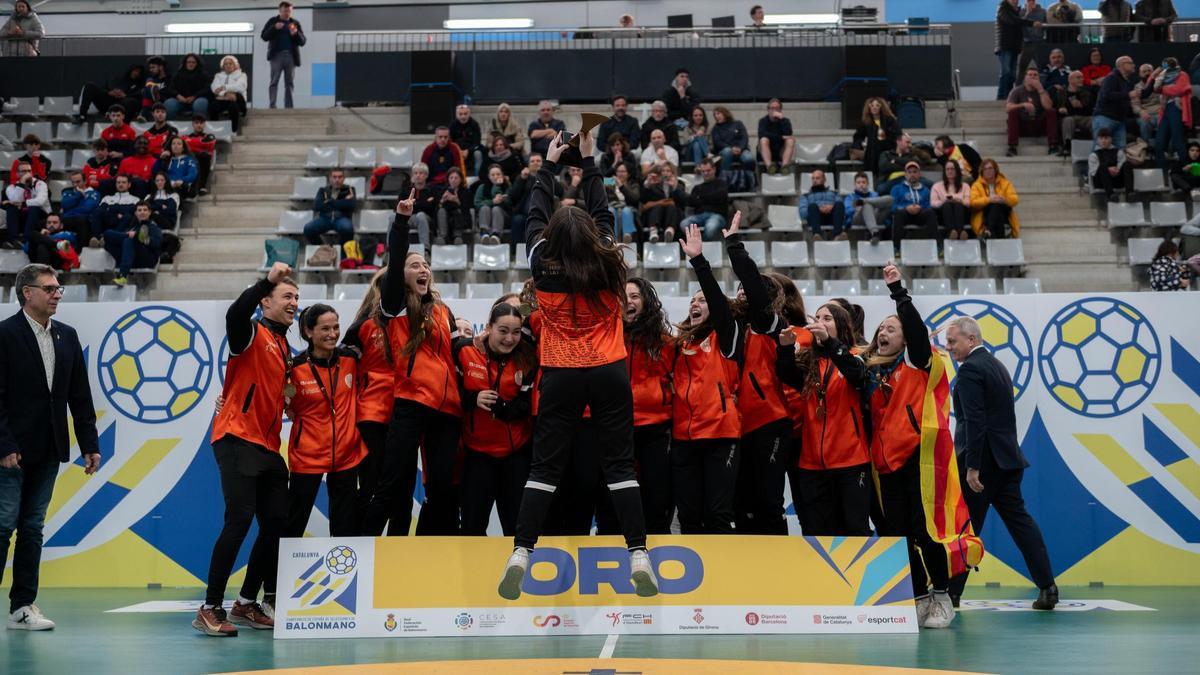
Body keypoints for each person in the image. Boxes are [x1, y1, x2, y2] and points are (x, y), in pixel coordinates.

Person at [498, 131, 657, 601]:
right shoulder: (609, 262)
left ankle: (521, 553)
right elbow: (603, 208)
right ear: (591, 233)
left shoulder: (541, 262)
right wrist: (587, 162)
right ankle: (639, 554)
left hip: (561, 374)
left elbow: (533, 213)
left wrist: (548, 167)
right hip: (608, 370)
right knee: (619, 467)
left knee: (544, 469)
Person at [862, 264, 984, 629]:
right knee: (897, 536)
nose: (884, 332)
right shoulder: (872, 370)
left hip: (919, 461)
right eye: (881, 328)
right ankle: (917, 596)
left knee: (927, 530)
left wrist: (898, 292)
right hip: (885, 466)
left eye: (892, 328)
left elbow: (915, 331)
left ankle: (942, 595)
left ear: (906, 340)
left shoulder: (918, 361)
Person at [195, 262, 297, 637]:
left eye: (297, 297)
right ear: (265, 303)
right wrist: (266, 280)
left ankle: (246, 603)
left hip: (270, 447)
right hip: (237, 438)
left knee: (275, 527)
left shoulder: (285, 346)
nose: (294, 302)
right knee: (239, 520)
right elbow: (236, 312)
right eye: (287, 296)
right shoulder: (249, 332)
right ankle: (209, 607)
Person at [0, 263, 100, 631]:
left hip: (50, 448)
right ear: (27, 292)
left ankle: (22, 606)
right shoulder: (5, 334)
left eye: (59, 288)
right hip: (10, 452)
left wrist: (90, 443)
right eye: (50, 288)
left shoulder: (68, 337)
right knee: (0, 525)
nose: (58, 294)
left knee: (32, 528)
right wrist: (4, 444)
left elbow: (80, 395)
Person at [365, 191, 464, 537]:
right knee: (392, 484)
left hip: (448, 411)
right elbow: (396, 261)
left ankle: (426, 553)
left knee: (441, 489)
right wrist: (402, 222)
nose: (422, 268)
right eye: (414, 265)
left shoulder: (443, 312)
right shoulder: (395, 307)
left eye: (424, 264)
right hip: (411, 403)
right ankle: (361, 554)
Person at [944, 316, 1058, 611]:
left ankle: (951, 594)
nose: (948, 347)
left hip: (982, 467)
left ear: (971, 339)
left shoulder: (970, 370)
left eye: (953, 341)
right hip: (1008, 461)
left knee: (966, 531)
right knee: (1021, 524)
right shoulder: (998, 366)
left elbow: (975, 423)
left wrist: (972, 467)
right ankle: (1048, 587)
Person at [667, 219, 745, 534]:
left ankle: (722, 582)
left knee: (717, 515)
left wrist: (699, 262)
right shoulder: (679, 343)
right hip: (683, 440)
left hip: (720, 436)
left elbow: (718, 304)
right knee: (688, 517)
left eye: (703, 300)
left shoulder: (728, 336)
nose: (696, 304)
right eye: (692, 301)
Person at [775, 301, 870, 536]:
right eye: (817, 318)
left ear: (841, 324)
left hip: (850, 462)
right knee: (818, 532)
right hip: (811, 464)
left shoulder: (857, 355)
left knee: (854, 529)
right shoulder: (810, 363)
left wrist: (829, 342)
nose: (820, 322)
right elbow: (787, 376)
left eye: (827, 318)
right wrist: (786, 348)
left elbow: (857, 375)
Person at [455, 303, 538, 536]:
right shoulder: (464, 351)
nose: (510, 339)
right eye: (503, 331)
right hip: (477, 456)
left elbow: (524, 407)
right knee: (472, 527)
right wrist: (473, 399)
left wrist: (501, 407)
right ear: (489, 327)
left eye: (516, 332)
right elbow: (449, 392)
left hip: (516, 457)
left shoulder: (528, 359)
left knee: (517, 528)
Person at [285, 305, 366, 538]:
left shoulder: (351, 359)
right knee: (293, 524)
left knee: (344, 528)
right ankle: (277, 574)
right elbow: (277, 399)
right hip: (307, 456)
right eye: (325, 329)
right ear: (309, 332)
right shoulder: (295, 368)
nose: (333, 334)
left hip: (346, 457)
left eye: (336, 327)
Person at [623, 279, 675, 533]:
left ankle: (660, 559)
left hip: (657, 430)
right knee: (618, 503)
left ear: (646, 301)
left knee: (657, 501)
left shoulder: (666, 342)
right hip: (618, 431)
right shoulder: (607, 340)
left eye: (634, 296)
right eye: (623, 297)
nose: (628, 302)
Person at [102, 200, 161, 285]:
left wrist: (146, 240)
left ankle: (122, 276)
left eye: (145, 210)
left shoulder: (153, 226)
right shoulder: (133, 227)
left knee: (129, 240)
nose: (142, 212)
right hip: (132, 257)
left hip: (147, 258)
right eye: (139, 210)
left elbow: (157, 243)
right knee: (108, 235)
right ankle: (135, 237)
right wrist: (132, 235)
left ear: (149, 212)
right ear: (136, 213)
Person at [1006, 67, 1061, 157]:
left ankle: (1053, 146)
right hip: (1023, 125)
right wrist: (1023, 105)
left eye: (1035, 75)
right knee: (1013, 112)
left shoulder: (1043, 91)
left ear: (1039, 78)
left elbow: (1048, 107)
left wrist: (1040, 89)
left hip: (1038, 125)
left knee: (1051, 112)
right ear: (1025, 78)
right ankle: (1012, 147)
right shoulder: (1017, 91)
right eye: (1030, 75)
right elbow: (1007, 108)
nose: (1033, 77)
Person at [261, 1, 306, 109]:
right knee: (274, 81)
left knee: (289, 83)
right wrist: (274, 28)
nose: (287, 13)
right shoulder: (273, 21)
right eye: (285, 11)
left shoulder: (295, 23)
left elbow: (303, 41)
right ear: (279, 10)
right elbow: (264, 36)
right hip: (276, 56)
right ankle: (272, 105)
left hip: (291, 56)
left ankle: (289, 107)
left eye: (289, 11)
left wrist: (296, 34)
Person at [1151, 58, 1192, 172]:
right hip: (1165, 109)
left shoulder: (1182, 74)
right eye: (1165, 64)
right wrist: (1154, 75)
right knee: (1159, 143)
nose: (1166, 66)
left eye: (1168, 64)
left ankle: (1186, 172)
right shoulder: (1162, 75)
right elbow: (1154, 88)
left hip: (1176, 107)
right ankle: (1162, 173)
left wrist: (1162, 88)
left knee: (1178, 141)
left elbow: (1179, 90)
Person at [995, 0, 1039, 101]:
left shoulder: (1012, 10)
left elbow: (1016, 22)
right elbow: (1013, 21)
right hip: (1005, 46)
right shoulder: (1003, 8)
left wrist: (1027, 13)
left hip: (1013, 46)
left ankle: (1008, 97)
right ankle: (1002, 97)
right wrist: (1032, 23)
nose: (1015, 1)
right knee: (1006, 73)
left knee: (1011, 74)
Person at [889, 162, 938, 248]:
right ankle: (896, 247)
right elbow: (892, 207)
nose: (912, 174)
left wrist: (920, 207)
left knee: (931, 213)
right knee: (898, 214)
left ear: (919, 174)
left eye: (915, 172)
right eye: (909, 172)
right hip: (904, 215)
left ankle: (936, 246)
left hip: (920, 215)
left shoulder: (926, 190)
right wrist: (906, 208)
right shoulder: (896, 188)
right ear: (905, 174)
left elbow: (930, 206)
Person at [679, 157, 728, 241]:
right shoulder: (697, 187)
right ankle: (698, 244)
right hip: (699, 216)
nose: (706, 173)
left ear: (714, 169)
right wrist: (711, 198)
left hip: (717, 216)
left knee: (711, 227)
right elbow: (691, 202)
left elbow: (721, 196)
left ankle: (702, 247)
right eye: (703, 171)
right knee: (684, 224)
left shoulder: (721, 183)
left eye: (708, 170)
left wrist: (701, 197)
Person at [1092, 56, 1136, 150]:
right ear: (1121, 65)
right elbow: (1107, 95)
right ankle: (1096, 165)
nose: (1133, 65)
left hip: (1119, 120)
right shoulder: (1111, 78)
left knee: (1120, 149)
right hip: (1105, 118)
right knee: (1100, 148)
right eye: (1130, 63)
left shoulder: (1127, 82)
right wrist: (1127, 95)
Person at [970, 159, 1021, 239]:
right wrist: (989, 200)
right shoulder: (976, 185)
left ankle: (988, 230)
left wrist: (1004, 200)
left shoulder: (1005, 183)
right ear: (982, 171)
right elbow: (973, 203)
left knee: (996, 206)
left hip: (1004, 210)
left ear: (995, 170)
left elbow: (1015, 199)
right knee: (995, 209)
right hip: (985, 213)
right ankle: (997, 236)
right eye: (985, 169)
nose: (988, 171)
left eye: (990, 168)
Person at [854, 98, 903, 181]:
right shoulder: (866, 122)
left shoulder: (890, 120)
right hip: (871, 153)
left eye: (877, 105)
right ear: (868, 108)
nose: (874, 107)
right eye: (872, 105)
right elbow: (858, 136)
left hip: (887, 152)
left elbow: (897, 135)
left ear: (882, 107)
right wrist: (861, 144)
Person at [1, 160, 48, 245]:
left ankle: (26, 240)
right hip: (23, 217)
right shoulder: (11, 188)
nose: (27, 174)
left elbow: (40, 201)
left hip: (40, 215)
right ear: (17, 174)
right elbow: (16, 199)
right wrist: (22, 182)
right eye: (24, 171)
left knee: (34, 207)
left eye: (29, 171)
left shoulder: (40, 184)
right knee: (11, 209)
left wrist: (23, 203)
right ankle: (14, 240)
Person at [303, 169, 356, 245]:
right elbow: (317, 206)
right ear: (330, 178)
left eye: (339, 177)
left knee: (347, 229)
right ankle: (322, 249)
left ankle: (343, 253)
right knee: (308, 228)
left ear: (344, 178)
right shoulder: (323, 190)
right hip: (324, 219)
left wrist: (330, 202)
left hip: (342, 218)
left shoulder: (350, 189)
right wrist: (342, 203)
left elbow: (351, 206)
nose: (337, 180)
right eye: (334, 177)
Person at [77, 64, 144, 122]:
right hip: (107, 104)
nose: (136, 73)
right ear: (130, 70)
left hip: (121, 106)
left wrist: (125, 95)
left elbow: (139, 97)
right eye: (135, 71)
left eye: (139, 72)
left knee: (131, 101)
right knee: (90, 86)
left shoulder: (139, 84)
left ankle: (124, 127)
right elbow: (103, 89)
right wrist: (109, 93)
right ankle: (82, 116)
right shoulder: (117, 79)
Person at [639, 164, 685, 243]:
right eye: (663, 171)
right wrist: (647, 186)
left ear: (672, 173)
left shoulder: (679, 184)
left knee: (671, 206)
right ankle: (653, 231)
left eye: (668, 171)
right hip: (655, 214)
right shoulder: (654, 184)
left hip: (673, 215)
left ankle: (669, 231)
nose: (665, 173)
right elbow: (643, 200)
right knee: (659, 206)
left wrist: (674, 187)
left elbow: (683, 201)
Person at [90, 174, 139, 244]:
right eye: (118, 182)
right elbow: (101, 211)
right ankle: (96, 238)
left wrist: (112, 209)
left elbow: (131, 212)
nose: (120, 184)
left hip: (122, 224)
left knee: (128, 216)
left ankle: (109, 238)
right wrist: (117, 214)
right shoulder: (107, 198)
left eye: (123, 182)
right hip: (109, 220)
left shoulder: (135, 200)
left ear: (129, 185)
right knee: (97, 211)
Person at [401, 162, 438, 252]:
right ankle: (390, 250)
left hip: (426, 218)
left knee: (420, 215)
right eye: (415, 173)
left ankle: (426, 250)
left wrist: (414, 204)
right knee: (392, 217)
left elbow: (431, 207)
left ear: (426, 175)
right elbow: (399, 206)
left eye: (421, 173)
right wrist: (423, 203)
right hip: (409, 217)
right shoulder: (406, 190)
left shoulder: (432, 189)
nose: (418, 176)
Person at [799, 169, 845, 241]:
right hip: (816, 218)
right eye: (813, 178)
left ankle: (837, 236)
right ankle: (817, 235)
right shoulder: (806, 196)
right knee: (812, 206)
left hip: (832, 216)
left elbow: (842, 206)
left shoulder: (834, 193)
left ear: (824, 179)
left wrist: (831, 207)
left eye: (817, 178)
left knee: (839, 204)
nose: (814, 180)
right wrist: (819, 209)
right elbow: (803, 213)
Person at [844, 172, 891, 241]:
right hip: (858, 218)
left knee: (890, 199)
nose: (861, 185)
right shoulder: (850, 197)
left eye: (863, 182)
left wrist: (864, 202)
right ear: (855, 184)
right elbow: (847, 211)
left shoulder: (875, 195)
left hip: (875, 216)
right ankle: (875, 233)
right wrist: (856, 209)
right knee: (866, 206)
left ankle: (864, 201)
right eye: (858, 183)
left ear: (868, 184)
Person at [932, 160, 972, 239]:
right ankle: (951, 232)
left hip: (962, 212)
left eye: (952, 169)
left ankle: (960, 233)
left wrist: (958, 200)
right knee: (947, 205)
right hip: (943, 214)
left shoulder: (965, 186)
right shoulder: (937, 186)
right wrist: (944, 201)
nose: (950, 171)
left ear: (957, 170)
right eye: (947, 169)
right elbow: (933, 203)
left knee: (958, 205)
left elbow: (968, 203)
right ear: (944, 171)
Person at [1056, 70, 1095, 148]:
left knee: (1094, 120)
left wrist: (1082, 106)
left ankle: (1097, 143)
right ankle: (1068, 146)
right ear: (1070, 80)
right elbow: (1055, 107)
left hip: (1084, 117)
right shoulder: (1061, 92)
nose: (1082, 79)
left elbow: (1091, 109)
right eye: (1078, 77)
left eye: (1082, 77)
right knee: (1068, 120)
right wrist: (1060, 110)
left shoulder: (1087, 92)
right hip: (1068, 117)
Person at [1088, 128, 1130, 200]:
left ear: (1111, 139)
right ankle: (1111, 196)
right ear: (1098, 140)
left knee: (1127, 164)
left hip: (1116, 179)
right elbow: (1093, 172)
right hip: (1101, 182)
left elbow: (1121, 164)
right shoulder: (1093, 155)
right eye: (1101, 138)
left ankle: (1130, 194)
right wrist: (1108, 170)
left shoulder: (1118, 152)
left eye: (1106, 138)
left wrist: (1117, 170)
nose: (1103, 141)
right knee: (1102, 167)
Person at [475, 164, 512, 245]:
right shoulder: (482, 187)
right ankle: (484, 233)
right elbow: (477, 204)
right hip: (484, 216)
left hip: (503, 216)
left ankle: (496, 235)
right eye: (493, 175)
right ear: (489, 176)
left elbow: (512, 204)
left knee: (496, 209)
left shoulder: (507, 186)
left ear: (502, 175)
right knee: (485, 208)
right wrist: (493, 202)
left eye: (498, 174)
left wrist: (503, 199)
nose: (496, 177)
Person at [166, 53, 210, 120]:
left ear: (197, 63)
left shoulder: (204, 74)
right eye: (188, 62)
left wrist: (195, 96)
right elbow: (170, 88)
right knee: (169, 104)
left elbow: (207, 89)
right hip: (180, 101)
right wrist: (178, 96)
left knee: (201, 103)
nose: (191, 64)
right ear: (185, 63)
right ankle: (171, 128)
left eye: (193, 62)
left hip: (197, 99)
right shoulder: (177, 74)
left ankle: (198, 127)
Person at [210, 55, 248, 134]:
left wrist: (224, 87)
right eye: (226, 64)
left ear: (235, 65)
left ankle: (233, 130)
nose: (228, 65)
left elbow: (240, 87)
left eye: (231, 63)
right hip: (223, 99)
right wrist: (225, 93)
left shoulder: (242, 75)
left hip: (238, 100)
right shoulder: (218, 76)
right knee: (212, 106)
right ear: (223, 66)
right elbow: (214, 87)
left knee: (233, 106)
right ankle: (215, 130)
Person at [60, 172, 100, 244]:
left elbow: (88, 208)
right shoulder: (67, 192)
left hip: (84, 220)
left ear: (85, 181)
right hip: (67, 220)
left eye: (78, 182)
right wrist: (79, 195)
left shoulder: (93, 193)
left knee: (82, 220)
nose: (75, 185)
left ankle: (81, 250)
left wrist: (69, 210)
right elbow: (64, 205)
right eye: (73, 182)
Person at [758, 99, 795, 175]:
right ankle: (769, 167)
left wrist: (782, 119)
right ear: (768, 110)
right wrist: (780, 137)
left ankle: (784, 167)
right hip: (767, 150)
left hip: (780, 150)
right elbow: (762, 134)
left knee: (790, 140)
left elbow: (788, 134)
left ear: (780, 110)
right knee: (764, 139)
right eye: (772, 108)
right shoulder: (763, 121)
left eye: (777, 108)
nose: (774, 110)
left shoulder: (785, 121)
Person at [436, 167, 471, 245]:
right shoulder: (443, 190)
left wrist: (457, 201)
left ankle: (457, 236)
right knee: (441, 211)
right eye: (451, 178)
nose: (453, 180)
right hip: (446, 218)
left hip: (461, 218)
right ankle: (443, 236)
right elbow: (436, 209)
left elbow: (467, 210)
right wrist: (442, 201)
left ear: (461, 179)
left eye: (456, 178)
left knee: (456, 211)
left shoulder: (466, 191)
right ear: (448, 179)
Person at [184, 115, 216, 195]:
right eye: (196, 123)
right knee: (192, 157)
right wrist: (201, 144)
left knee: (203, 156)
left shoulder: (210, 136)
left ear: (204, 124)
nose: (199, 125)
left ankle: (202, 186)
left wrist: (191, 143)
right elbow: (203, 144)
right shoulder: (186, 137)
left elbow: (210, 144)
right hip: (192, 158)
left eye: (201, 123)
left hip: (204, 159)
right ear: (192, 124)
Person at [607, 162, 640, 243]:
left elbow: (635, 199)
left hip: (628, 208)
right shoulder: (610, 181)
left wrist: (621, 186)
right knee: (610, 210)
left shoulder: (633, 184)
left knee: (626, 210)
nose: (620, 174)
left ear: (628, 174)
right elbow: (598, 181)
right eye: (618, 171)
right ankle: (612, 237)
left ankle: (627, 235)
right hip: (613, 207)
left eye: (623, 171)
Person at [449, 104, 483, 174]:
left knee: (478, 153)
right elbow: (450, 141)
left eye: (465, 114)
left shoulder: (474, 124)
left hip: (471, 150)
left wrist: (468, 151)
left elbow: (477, 143)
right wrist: (459, 151)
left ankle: (478, 176)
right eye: (460, 114)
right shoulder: (452, 125)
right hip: (457, 150)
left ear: (469, 114)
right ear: (456, 114)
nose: (463, 116)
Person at [1017, 0, 1046, 77]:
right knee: (1022, 68)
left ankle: (1042, 86)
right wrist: (1027, 13)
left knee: (1042, 67)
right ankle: (1017, 87)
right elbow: (1019, 24)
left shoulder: (1042, 11)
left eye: (1033, 0)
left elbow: (1046, 26)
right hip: (1027, 43)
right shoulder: (1021, 12)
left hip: (1040, 43)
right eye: (1029, 0)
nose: (1031, 2)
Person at [139, 56, 171, 121]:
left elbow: (170, 92)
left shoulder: (169, 78)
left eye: (153, 67)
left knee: (147, 90)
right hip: (152, 102)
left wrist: (158, 93)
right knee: (148, 85)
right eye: (150, 68)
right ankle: (153, 93)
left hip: (164, 101)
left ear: (161, 67)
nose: (151, 70)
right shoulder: (151, 79)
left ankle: (143, 114)